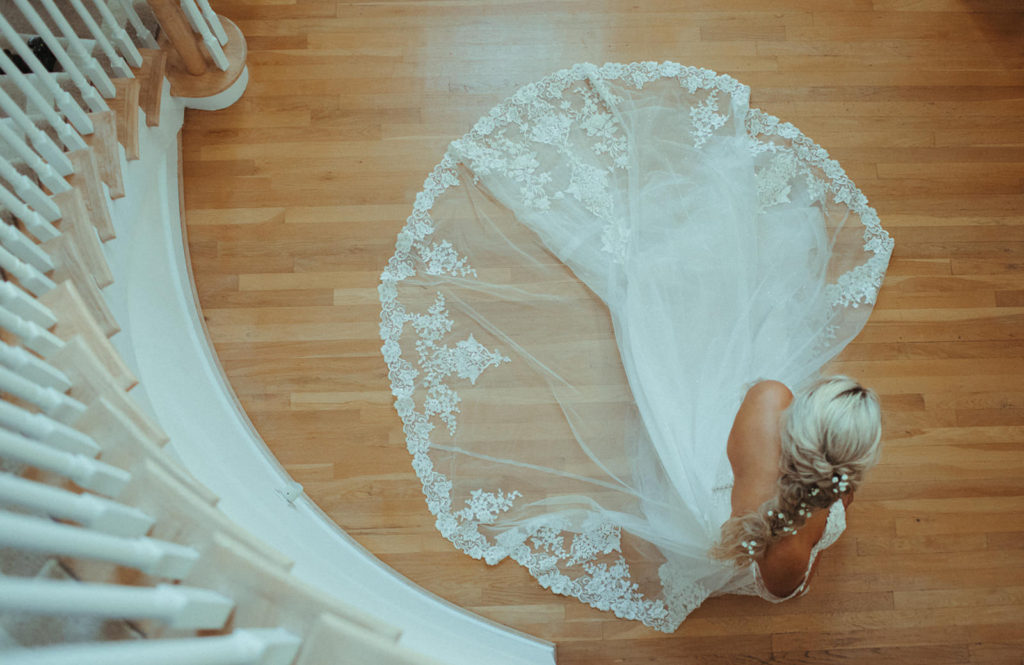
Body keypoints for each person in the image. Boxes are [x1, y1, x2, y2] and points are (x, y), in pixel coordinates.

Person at [378, 61, 893, 631]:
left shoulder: (770, 398)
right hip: (741, 513)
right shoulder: (793, 542)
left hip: (736, 507)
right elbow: (781, 590)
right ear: (846, 467)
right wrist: (825, 511)